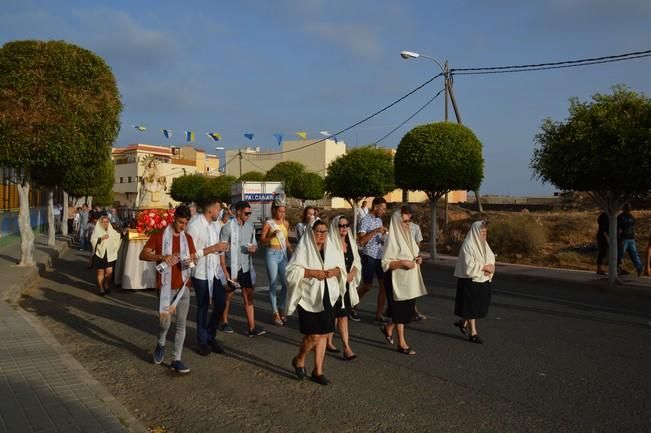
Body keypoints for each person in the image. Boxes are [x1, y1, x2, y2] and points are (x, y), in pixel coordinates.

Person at [140, 204, 197, 374]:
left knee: (181, 325)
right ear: (174, 219)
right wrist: (162, 257)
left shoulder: (188, 239)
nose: (183, 226)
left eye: (186, 223)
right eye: (180, 222)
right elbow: (143, 254)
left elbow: (194, 262)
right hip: (166, 287)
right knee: (165, 324)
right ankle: (161, 342)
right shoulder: (159, 236)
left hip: (183, 288)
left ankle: (176, 359)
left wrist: (191, 263)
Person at [286, 220, 345, 385]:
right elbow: (290, 272)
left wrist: (336, 271)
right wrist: (310, 272)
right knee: (313, 336)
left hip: (328, 295)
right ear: (311, 232)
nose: (321, 235)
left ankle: (318, 371)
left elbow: (341, 267)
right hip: (308, 297)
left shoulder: (332, 248)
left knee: (324, 334)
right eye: (318, 231)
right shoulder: (303, 248)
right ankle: (299, 359)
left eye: (324, 231)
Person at [379, 210, 427, 355]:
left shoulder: (409, 237)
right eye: (405, 222)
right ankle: (402, 343)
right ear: (398, 223)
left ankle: (388, 327)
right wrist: (402, 263)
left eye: (409, 222)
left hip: (409, 281)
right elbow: (385, 263)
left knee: (408, 311)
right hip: (396, 280)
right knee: (400, 310)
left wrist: (418, 259)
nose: (408, 225)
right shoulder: (391, 239)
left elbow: (415, 254)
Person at [186, 199, 229, 356]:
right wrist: (213, 248)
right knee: (203, 306)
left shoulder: (213, 225)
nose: (220, 212)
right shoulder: (195, 225)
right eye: (218, 209)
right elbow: (189, 253)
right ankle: (202, 341)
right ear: (210, 210)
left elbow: (215, 247)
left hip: (214, 271)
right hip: (200, 272)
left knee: (221, 302)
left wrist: (220, 249)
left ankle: (210, 335)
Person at [219, 201, 266, 337]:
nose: (248, 215)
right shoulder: (227, 227)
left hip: (246, 266)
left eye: (250, 213)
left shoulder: (250, 226)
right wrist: (224, 270)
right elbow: (221, 250)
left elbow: (255, 244)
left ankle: (252, 328)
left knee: (249, 296)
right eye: (246, 213)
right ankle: (225, 322)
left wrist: (254, 248)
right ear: (238, 212)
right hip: (231, 266)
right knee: (228, 295)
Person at [453, 221, 495, 344]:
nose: (484, 235)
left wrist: (490, 268)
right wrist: (484, 268)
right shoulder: (468, 244)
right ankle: (473, 333)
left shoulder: (484, 245)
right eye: (481, 232)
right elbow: (468, 265)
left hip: (483, 279)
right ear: (476, 232)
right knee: (472, 306)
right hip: (470, 281)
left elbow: (491, 258)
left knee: (477, 306)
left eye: (485, 232)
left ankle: (462, 322)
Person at [325, 216, 360, 360]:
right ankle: (327, 341)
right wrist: (341, 272)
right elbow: (328, 265)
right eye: (340, 225)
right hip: (333, 285)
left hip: (346, 285)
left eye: (346, 225)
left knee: (343, 316)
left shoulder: (350, 243)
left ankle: (347, 347)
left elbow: (356, 260)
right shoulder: (329, 244)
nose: (344, 228)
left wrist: (352, 272)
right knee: (333, 315)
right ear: (335, 227)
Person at [353, 196, 388, 323]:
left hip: (380, 256)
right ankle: (352, 306)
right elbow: (361, 241)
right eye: (383, 208)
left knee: (384, 286)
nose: (384, 211)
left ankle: (379, 315)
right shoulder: (365, 220)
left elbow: (377, 238)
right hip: (369, 256)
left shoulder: (379, 220)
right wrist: (375, 231)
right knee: (367, 286)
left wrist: (384, 236)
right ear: (376, 207)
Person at [261, 201, 292, 326]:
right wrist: (271, 235)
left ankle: (281, 306)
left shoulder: (285, 223)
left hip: (283, 254)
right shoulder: (269, 224)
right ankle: (275, 313)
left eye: (284, 211)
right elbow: (262, 241)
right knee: (273, 284)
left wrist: (292, 251)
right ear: (274, 210)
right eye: (280, 211)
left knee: (286, 283)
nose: (282, 214)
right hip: (272, 254)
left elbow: (286, 240)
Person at [403, 205, 427, 321]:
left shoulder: (415, 227)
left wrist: (418, 256)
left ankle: (412, 311)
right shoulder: (397, 227)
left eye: (408, 213)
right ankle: (411, 311)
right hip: (403, 260)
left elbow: (418, 243)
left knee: (413, 287)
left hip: (413, 259)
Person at [90, 215, 121, 296]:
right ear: (100, 223)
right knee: (100, 273)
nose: (105, 223)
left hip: (110, 254)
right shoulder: (97, 230)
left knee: (109, 272)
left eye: (107, 222)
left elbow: (117, 237)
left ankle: (106, 284)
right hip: (99, 254)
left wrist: (123, 234)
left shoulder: (111, 230)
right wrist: (100, 239)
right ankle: (101, 288)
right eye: (103, 222)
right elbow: (93, 240)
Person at [617, 203, 643, 277]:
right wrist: (619, 238)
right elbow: (618, 229)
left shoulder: (631, 217)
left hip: (631, 239)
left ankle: (639, 268)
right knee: (620, 255)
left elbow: (633, 227)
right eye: (627, 208)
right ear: (624, 209)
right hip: (623, 239)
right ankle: (620, 269)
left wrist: (635, 237)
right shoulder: (620, 217)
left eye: (629, 208)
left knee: (634, 254)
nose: (628, 210)